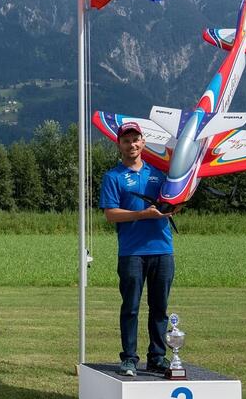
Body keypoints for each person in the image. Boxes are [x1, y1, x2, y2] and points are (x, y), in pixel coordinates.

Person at [99, 121, 176, 377]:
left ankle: (157, 357)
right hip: (131, 252)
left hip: (162, 249)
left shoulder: (160, 174)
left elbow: (173, 201)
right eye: (126, 140)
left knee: (160, 308)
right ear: (119, 145)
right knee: (130, 307)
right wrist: (142, 214)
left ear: (143, 142)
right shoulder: (113, 177)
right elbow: (111, 215)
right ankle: (129, 358)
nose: (131, 144)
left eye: (136, 139)